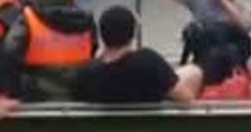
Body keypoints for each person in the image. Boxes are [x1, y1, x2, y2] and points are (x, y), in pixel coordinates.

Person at [5, 0, 97, 102]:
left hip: (36, 96)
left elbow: (10, 52)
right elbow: (93, 49)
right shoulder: (87, 19)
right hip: (78, 93)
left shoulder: (28, 17)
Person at [74, 6, 203, 104]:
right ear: (133, 35)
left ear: (102, 35)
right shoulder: (148, 62)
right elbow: (186, 99)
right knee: (194, 72)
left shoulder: (86, 74)